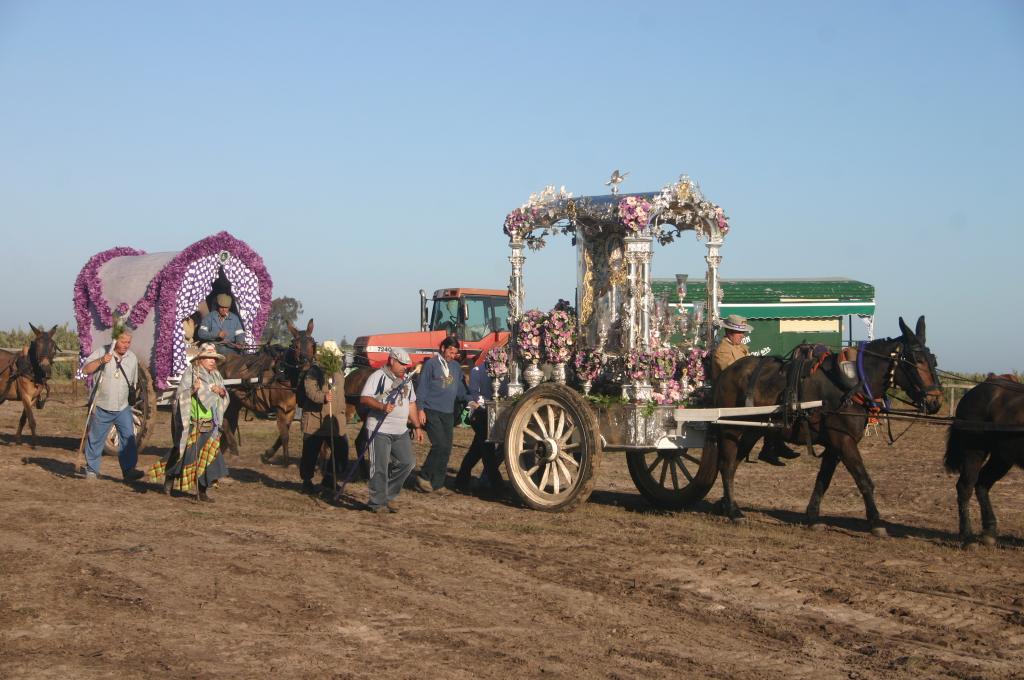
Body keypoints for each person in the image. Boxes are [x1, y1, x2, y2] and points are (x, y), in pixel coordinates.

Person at [712, 314, 800, 466]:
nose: (743, 335)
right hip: (731, 397)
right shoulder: (723, 351)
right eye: (740, 332)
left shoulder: (741, 347)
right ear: (730, 332)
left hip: (747, 392)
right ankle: (770, 448)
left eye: (743, 332)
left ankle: (772, 446)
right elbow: (733, 376)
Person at [155, 343, 230, 501]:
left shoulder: (216, 375)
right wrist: (192, 390)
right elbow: (179, 397)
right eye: (209, 358)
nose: (212, 361)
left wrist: (221, 392)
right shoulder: (190, 373)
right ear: (200, 359)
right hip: (192, 422)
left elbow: (224, 395)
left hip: (211, 423)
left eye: (214, 358)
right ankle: (170, 477)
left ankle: (202, 491)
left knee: (209, 459)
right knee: (184, 455)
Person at [359, 348, 424, 513]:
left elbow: (411, 404)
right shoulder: (378, 377)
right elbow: (365, 398)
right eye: (401, 364)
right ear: (392, 361)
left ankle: (388, 496)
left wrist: (417, 426)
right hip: (379, 429)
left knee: (407, 463)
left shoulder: (407, 380)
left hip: (400, 430)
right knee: (379, 467)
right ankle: (376, 502)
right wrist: (381, 406)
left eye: (406, 364)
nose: (405, 367)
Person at [80, 329, 144, 482]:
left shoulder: (132, 359)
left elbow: (133, 383)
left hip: (123, 407)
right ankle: (92, 470)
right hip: (102, 404)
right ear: (116, 340)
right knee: (96, 438)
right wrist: (101, 361)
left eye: (128, 342)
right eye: (123, 342)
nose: (126, 345)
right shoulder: (103, 351)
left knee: (128, 438)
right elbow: (85, 369)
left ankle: (129, 471)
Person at [413, 337, 468, 495]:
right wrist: (420, 409)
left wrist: (470, 400)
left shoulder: (456, 367)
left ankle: (437, 484)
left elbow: (460, 390)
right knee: (439, 444)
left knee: (447, 447)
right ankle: (423, 476)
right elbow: (422, 387)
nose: (452, 355)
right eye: (450, 351)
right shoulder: (431, 364)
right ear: (443, 348)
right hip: (431, 409)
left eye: (455, 353)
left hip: (448, 412)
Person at [454, 358, 506, 495]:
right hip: (480, 413)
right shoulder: (477, 371)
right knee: (487, 451)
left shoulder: (503, 370)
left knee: (477, 450)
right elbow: (475, 394)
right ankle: (496, 484)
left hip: (493, 412)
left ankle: (461, 479)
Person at [299, 354, 348, 495]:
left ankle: (329, 478)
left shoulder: (339, 372)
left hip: (335, 420)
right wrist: (323, 397)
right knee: (310, 454)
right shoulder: (313, 372)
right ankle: (306, 482)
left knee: (341, 451)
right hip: (315, 421)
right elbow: (310, 391)